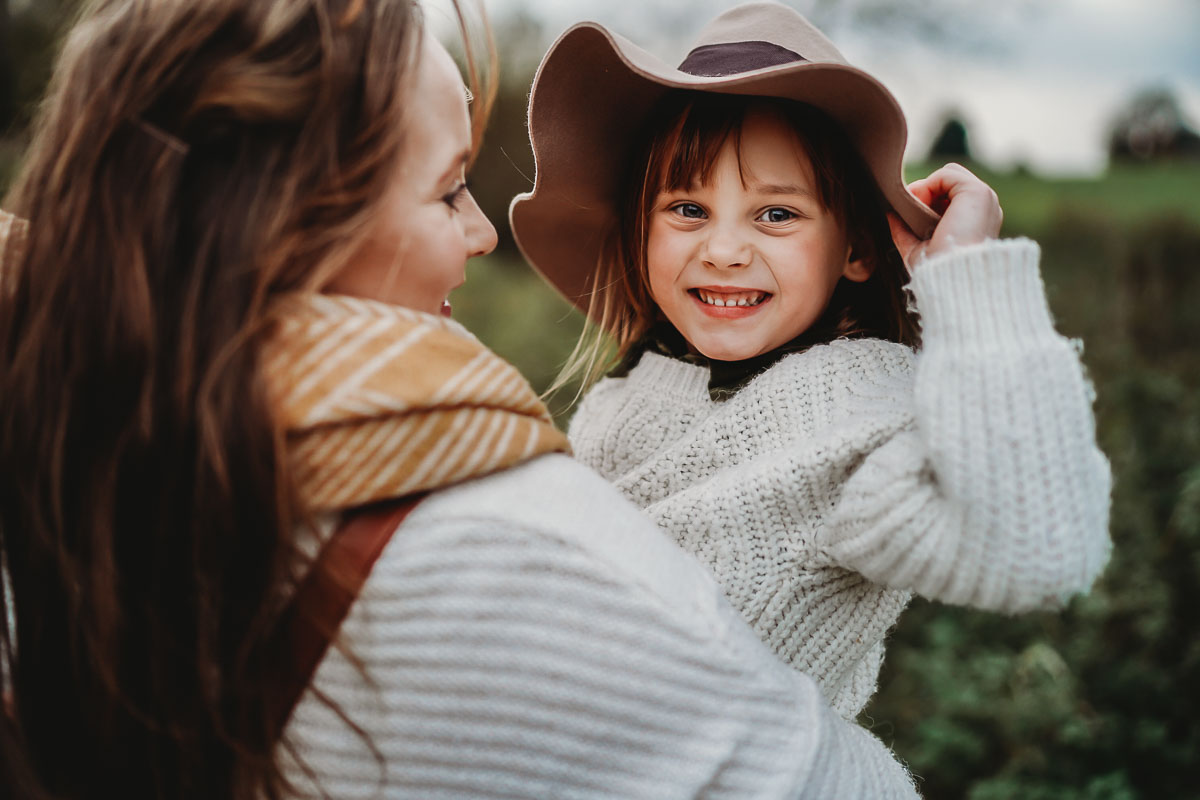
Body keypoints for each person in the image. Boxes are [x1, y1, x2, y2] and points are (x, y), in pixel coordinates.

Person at [0, 1, 923, 798]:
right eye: (448, 191)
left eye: (774, 213)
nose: (485, 231)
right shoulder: (506, 544)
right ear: (282, 225)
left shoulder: (62, 423)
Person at [510, 2, 1113, 722]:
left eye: (776, 215)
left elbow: (1039, 550)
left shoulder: (854, 417)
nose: (724, 250)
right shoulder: (619, 402)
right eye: (688, 210)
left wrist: (969, 277)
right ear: (642, 231)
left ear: (857, 249)